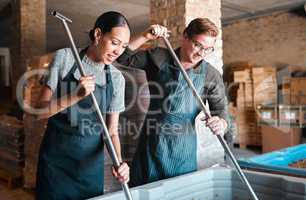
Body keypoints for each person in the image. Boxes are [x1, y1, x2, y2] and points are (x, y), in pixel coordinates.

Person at [117, 18, 229, 187]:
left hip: (182, 148)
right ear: (185, 36)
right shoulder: (160, 57)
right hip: (151, 143)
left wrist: (221, 123)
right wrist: (145, 36)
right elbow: (122, 57)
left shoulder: (211, 75)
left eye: (208, 49)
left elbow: (221, 111)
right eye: (198, 45)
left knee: (180, 192)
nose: (201, 53)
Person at [35, 11, 130, 200]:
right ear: (97, 35)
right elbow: (39, 112)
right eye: (114, 42)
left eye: (124, 46)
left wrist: (119, 162)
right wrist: (74, 96)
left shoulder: (117, 79)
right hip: (56, 163)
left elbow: (111, 132)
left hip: (89, 168)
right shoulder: (65, 58)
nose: (118, 51)